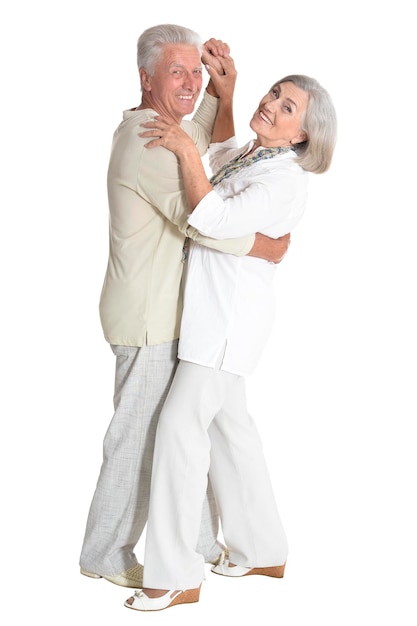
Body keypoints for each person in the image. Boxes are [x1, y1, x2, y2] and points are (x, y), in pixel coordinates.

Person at [79, 24, 291, 589]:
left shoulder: (168, 128)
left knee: (182, 435)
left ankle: (199, 544)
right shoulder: (148, 139)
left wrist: (225, 93)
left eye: (195, 71)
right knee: (141, 438)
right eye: (178, 72)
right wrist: (265, 247)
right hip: (148, 319)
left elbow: (205, 142)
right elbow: (202, 218)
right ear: (145, 79)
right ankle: (104, 552)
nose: (190, 82)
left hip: (175, 318)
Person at [124, 54, 337, 610]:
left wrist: (184, 148)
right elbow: (217, 154)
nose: (271, 104)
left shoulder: (285, 182)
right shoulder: (251, 154)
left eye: (286, 107)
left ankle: (173, 575)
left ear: (302, 136)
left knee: (178, 430)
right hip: (211, 318)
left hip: (225, 325)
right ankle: (261, 547)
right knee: (230, 430)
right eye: (274, 93)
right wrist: (229, 89)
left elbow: (210, 216)